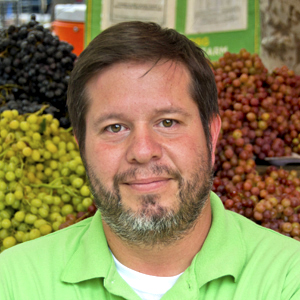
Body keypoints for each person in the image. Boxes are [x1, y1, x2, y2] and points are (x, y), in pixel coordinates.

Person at [1, 21, 300, 300]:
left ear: (212, 135)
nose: (143, 151)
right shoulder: (13, 281)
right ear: (82, 149)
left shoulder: (288, 276)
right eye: (114, 127)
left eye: (167, 122)